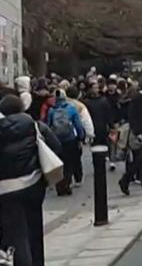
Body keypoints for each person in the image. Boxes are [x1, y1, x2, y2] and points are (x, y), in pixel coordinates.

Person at [0, 94, 62, 266]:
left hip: (6, 189)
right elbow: (56, 145)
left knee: (17, 234)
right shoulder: (34, 125)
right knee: (35, 229)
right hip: (33, 184)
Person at [47, 89, 86, 196]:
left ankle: (59, 186)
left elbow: (48, 126)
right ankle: (67, 185)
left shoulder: (51, 110)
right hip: (70, 139)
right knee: (69, 163)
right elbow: (78, 125)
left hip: (56, 140)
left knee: (59, 162)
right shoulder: (72, 109)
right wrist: (81, 137)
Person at [66, 86, 95, 187]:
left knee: (65, 158)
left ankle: (66, 180)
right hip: (74, 136)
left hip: (59, 136)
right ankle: (78, 178)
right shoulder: (79, 106)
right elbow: (85, 121)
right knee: (76, 157)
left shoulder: (57, 104)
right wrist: (88, 134)